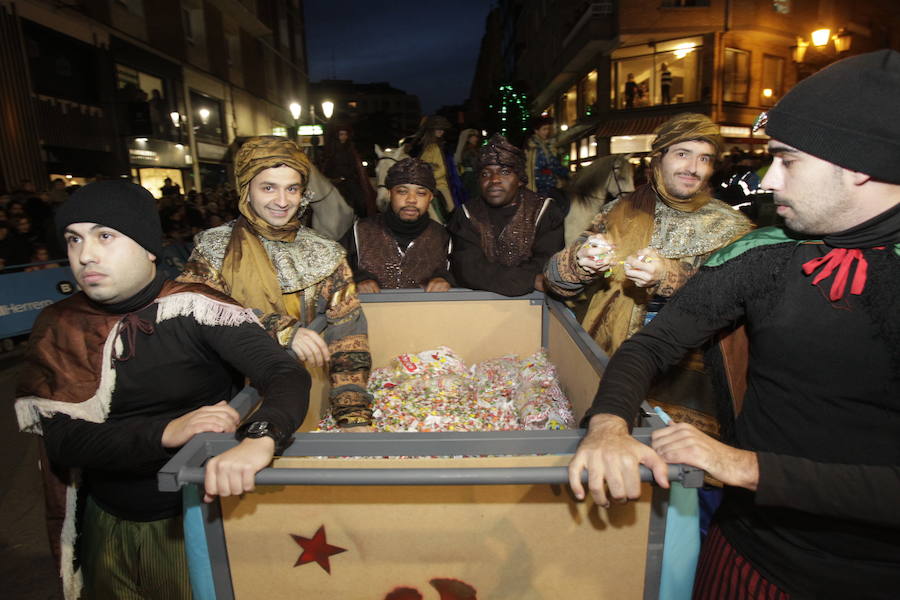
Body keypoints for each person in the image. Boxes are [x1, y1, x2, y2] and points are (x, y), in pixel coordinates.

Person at [568, 50, 900, 598]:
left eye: (788, 161)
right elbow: (652, 344)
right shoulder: (770, 256)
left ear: (858, 162)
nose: (767, 181)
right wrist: (608, 425)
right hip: (742, 553)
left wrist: (747, 467)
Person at [14, 180, 310, 599]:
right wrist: (167, 431)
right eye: (73, 239)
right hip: (106, 520)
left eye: (105, 236)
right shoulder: (58, 326)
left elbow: (285, 372)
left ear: (149, 247)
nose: (86, 255)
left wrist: (261, 437)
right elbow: (63, 442)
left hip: (195, 519)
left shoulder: (199, 307)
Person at [544, 113, 751, 433]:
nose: (693, 168)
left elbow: (742, 300)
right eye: (682, 154)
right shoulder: (618, 211)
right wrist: (579, 263)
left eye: (704, 158)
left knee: (676, 474)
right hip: (610, 363)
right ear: (659, 158)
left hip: (687, 379)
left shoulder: (731, 227)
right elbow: (556, 283)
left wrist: (669, 276)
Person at [179, 136, 374, 429]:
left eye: (292, 188)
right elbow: (195, 317)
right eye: (268, 187)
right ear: (246, 190)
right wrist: (280, 329)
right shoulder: (213, 249)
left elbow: (348, 336)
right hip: (226, 402)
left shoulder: (325, 252)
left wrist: (353, 411)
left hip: (303, 399)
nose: (283, 202)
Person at [448, 134, 564, 297]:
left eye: (504, 171)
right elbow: (469, 269)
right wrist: (529, 280)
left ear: (520, 180)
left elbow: (546, 263)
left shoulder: (545, 211)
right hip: (476, 305)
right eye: (485, 174)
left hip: (533, 307)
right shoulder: (465, 214)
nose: (494, 180)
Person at [342, 158, 453, 293]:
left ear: (430, 197)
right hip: (371, 313)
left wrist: (446, 279)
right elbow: (333, 269)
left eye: (421, 193)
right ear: (390, 194)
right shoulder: (360, 231)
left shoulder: (444, 237)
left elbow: (464, 273)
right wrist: (357, 279)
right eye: (402, 191)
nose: (411, 200)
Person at [409, 114, 465, 220]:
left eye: (442, 130)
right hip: (428, 183)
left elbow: (443, 168)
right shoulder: (428, 147)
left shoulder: (440, 146)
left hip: (441, 184)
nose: (441, 132)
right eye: (438, 129)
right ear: (431, 130)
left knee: (451, 206)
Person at [317, 124, 377, 218]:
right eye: (341, 134)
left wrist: (345, 176)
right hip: (333, 180)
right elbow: (327, 164)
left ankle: (362, 218)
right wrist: (331, 178)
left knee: (360, 200)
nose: (343, 137)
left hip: (348, 180)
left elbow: (354, 166)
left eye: (345, 134)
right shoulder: (331, 149)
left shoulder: (350, 149)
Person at [524, 116, 569, 198]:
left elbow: (554, 165)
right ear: (536, 131)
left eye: (548, 129)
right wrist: (554, 181)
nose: (547, 132)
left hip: (549, 185)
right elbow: (536, 172)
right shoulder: (533, 148)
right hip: (541, 188)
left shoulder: (546, 146)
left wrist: (568, 174)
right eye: (544, 129)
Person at [454, 128, 481, 202]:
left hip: (468, 176)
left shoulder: (468, 149)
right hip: (471, 177)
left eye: (476, 137)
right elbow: (476, 164)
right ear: (468, 138)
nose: (476, 139)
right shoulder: (470, 150)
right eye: (474, 137)